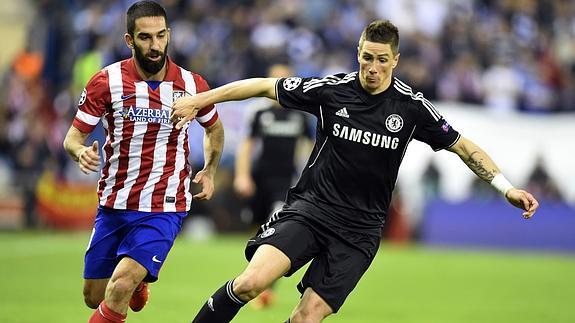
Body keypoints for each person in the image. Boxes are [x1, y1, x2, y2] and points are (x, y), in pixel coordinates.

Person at [171, 20, 539, 323]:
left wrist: (505, 187)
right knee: (252, 283)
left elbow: (463, 146)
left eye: (381, 60)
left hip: (360, 232)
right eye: (366, 58)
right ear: (358, 54)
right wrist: (203, 98)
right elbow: (263, 86)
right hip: (311, 211)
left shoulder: (412, 108)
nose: (372, 68)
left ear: (395, 60)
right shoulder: (333, 90)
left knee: (305, 318)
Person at [62, 1, 224, 322]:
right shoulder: (106, 82)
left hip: (164, 205)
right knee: (93, 295)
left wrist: (210, 168)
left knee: (119, 285)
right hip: (114, 202)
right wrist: (81, 152)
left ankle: (132, 281)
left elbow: (214, 129)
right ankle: (138, 284)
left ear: (169, 35)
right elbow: (72, 138)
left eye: (161, 36)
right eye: (146, 37)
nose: (155, 46)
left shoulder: (192, 86)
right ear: (129, 40)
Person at [234, 64, 312, 308]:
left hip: (285, 182)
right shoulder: (260, 113)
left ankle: (266, 287)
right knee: (258, 229)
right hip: (260, 180)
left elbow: (310, 149)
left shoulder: (300, 115)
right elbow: (247, 146)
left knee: (275, 229)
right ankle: (258, 277)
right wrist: (242, 176)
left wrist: (308, 178)